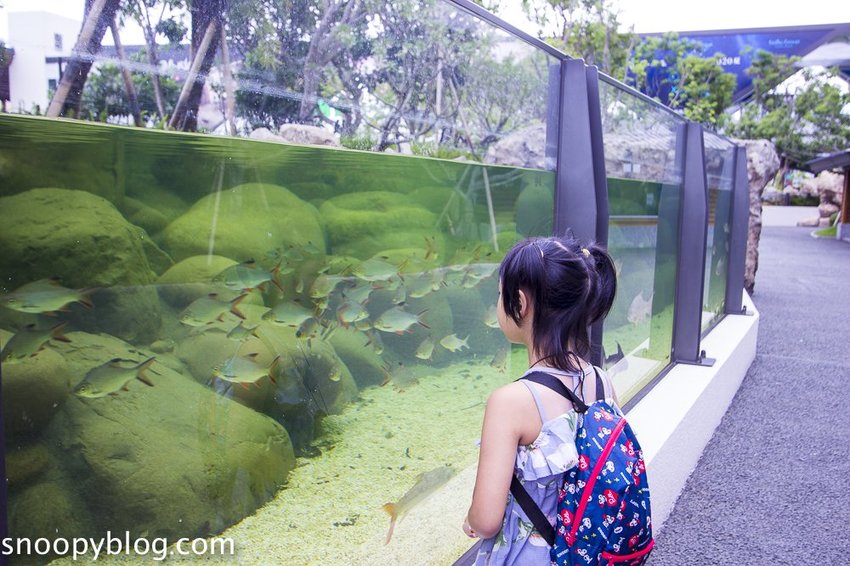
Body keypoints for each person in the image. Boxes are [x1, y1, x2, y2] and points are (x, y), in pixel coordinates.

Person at [462, 236, 619, 565]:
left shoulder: (511, 401)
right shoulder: (602, 383)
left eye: (498, 295)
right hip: (585, 555)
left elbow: (487, 520)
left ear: (519, 303)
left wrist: (472, 519)